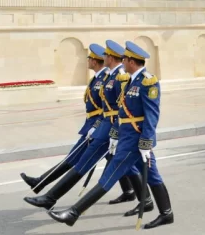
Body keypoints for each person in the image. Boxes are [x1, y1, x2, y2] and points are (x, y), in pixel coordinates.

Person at [48, 41, 174, 229]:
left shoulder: (148, 82)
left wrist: (146, 142)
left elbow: (151, 115)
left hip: (136, 141)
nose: (122, 62)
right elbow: (120, 111)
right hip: (126, 136)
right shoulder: (129, 81)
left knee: (109, 175)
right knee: (153, 176)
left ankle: (73, 213)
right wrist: (114, 134)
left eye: (124, 59)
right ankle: (167, 214)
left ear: (131, 61)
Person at [22, 42, 145, 212]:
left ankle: (51, 198)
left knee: (84, 162)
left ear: (109, 57)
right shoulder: (111, 76)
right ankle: (143, 198)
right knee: (122, 164)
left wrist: (114, 132)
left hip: (109, 129)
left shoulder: (120, 78)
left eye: (105, 56)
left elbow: (122, 108)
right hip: (103, 126)